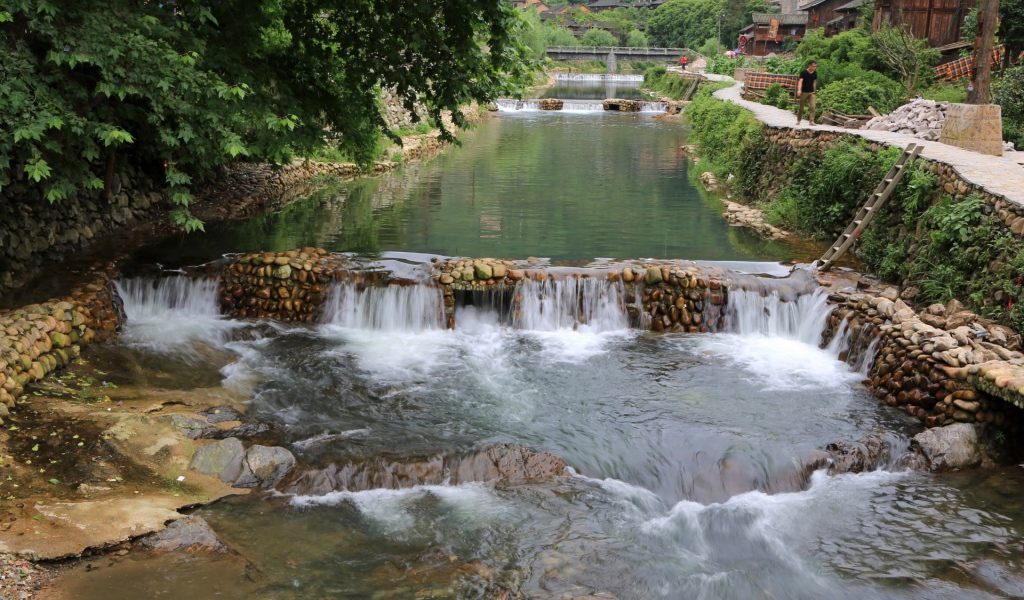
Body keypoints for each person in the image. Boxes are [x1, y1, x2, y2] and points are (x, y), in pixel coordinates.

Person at [796, 60, 818, 126]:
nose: (814, 67)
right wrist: (799, 90)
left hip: (811, 92)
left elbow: (814, 81)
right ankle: (798, 120)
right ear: (809, 65)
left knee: (813, 107)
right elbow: (800, 81)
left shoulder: (815, 73)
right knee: (801, 107)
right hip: (804, 92)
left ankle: (811, 121)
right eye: (813, 66)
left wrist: (814, 90)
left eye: (815, 66)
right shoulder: (803, 72)